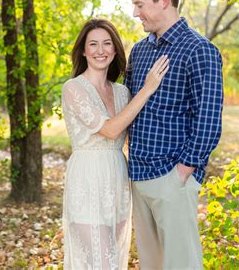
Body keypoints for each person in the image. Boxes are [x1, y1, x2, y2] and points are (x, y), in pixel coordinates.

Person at [126, 0, 224, 269]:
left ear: (164, 0)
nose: (135, 12)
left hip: (172, 175)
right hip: (138, 175)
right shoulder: (139, 51)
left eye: (140, 4)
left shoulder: (200, 50)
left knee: (182, 263)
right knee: (152, 264)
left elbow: (208, 120)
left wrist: (183, 170)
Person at [61, 18, 169, 269]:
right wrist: (148, 88)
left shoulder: (122, 92)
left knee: (115, 257)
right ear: (84, 50)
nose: (101, 50)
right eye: (93, 44)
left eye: (107, 43)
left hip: (117, 179)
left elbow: (136, 134)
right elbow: (110, 130)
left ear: (115, 49)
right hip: (87, 179)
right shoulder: (73, 88)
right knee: (101, 257)